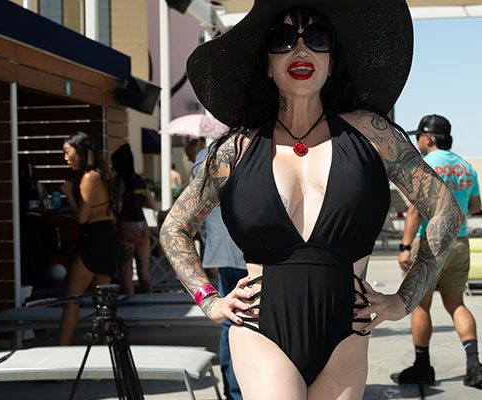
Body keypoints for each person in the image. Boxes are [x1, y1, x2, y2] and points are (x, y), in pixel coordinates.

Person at [160, 2, 465, 399]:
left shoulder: (374, 136)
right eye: (283, 39)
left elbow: (446, 210)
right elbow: (174, 228)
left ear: (332, 60)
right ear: (267, 63)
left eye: (317, 39)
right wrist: (208, 300)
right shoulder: (237, 149)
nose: (301, 50)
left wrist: (404, 300)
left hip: (346, 337)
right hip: (259, 331)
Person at [396, 114, 482, 387]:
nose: (418, 142)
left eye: (419, 137)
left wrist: (405, 246)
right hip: (459, 242)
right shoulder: (466, 167)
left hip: (429, 242)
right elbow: (475, 205)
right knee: (456, 303)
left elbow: (415, 210)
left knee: (420, 305)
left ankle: (422, 366)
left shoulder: (424, 165)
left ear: (429, 137)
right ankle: (474, 364)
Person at [194, 146, 247, 400]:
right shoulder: (249, 148)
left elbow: (197, 212)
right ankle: (237, 391)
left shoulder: (206, 154)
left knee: (231, 320)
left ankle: (233, 391)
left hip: (225, 249)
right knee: (237, 320)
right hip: (243, 250)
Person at [58, 132, 118, 345]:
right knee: (102, 305)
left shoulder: (89, 177)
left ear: (80, 151)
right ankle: (104, 351)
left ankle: (61, 350)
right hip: (107, 238)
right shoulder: (102, 174)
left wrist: (68, 195)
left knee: (71, 300)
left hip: (93, 239)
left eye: (68, 152)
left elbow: (82, 217)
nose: (65, 158)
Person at [112, 144, 157, 294]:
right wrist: (137, 201)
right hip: (142, 227)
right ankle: (147, 301)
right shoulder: (139, 180)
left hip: (126, 227)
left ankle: (131, 303)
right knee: (144, 271)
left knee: (127, 273)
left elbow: (117, 208)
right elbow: (152, 204)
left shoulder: (118, 181)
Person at [19, 155, 58, 289]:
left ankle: (36, 278)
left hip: (33, 222)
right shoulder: (23, 185)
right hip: (29, 222)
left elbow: (45, 203)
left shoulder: (35, 185)